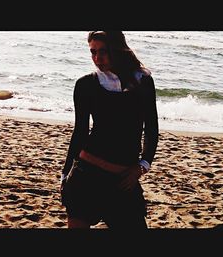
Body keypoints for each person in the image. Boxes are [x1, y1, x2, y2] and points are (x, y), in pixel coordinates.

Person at [60, 31, 159, 229]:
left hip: (123, 181)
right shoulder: (85, 84)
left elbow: (151, 128)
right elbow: (80, 132)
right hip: (85, 178)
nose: (98, 58)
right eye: (93, 52)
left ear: (118, 50)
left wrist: (143, 166)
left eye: (103, 51)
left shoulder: (143, 81)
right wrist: (65, 175)